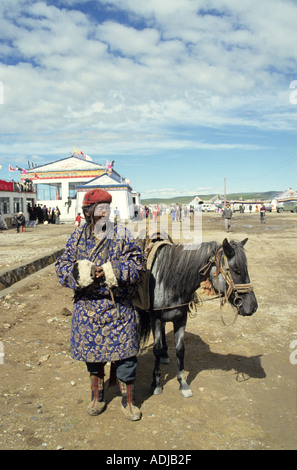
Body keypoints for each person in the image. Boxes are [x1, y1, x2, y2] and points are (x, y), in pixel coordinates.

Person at [55, 188, 146, 421]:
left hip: (118, 308)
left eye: (106, 209)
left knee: (127, 358)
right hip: (87, 308)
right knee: (93, 360)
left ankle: (128, 402)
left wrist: (112, 271)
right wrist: (83, 271)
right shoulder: (76, 237)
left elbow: (138, 264)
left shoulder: (122, 234)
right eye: (98, 210)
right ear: (88, 212)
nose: (103, 214)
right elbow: (61, 266)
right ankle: (97, 397)